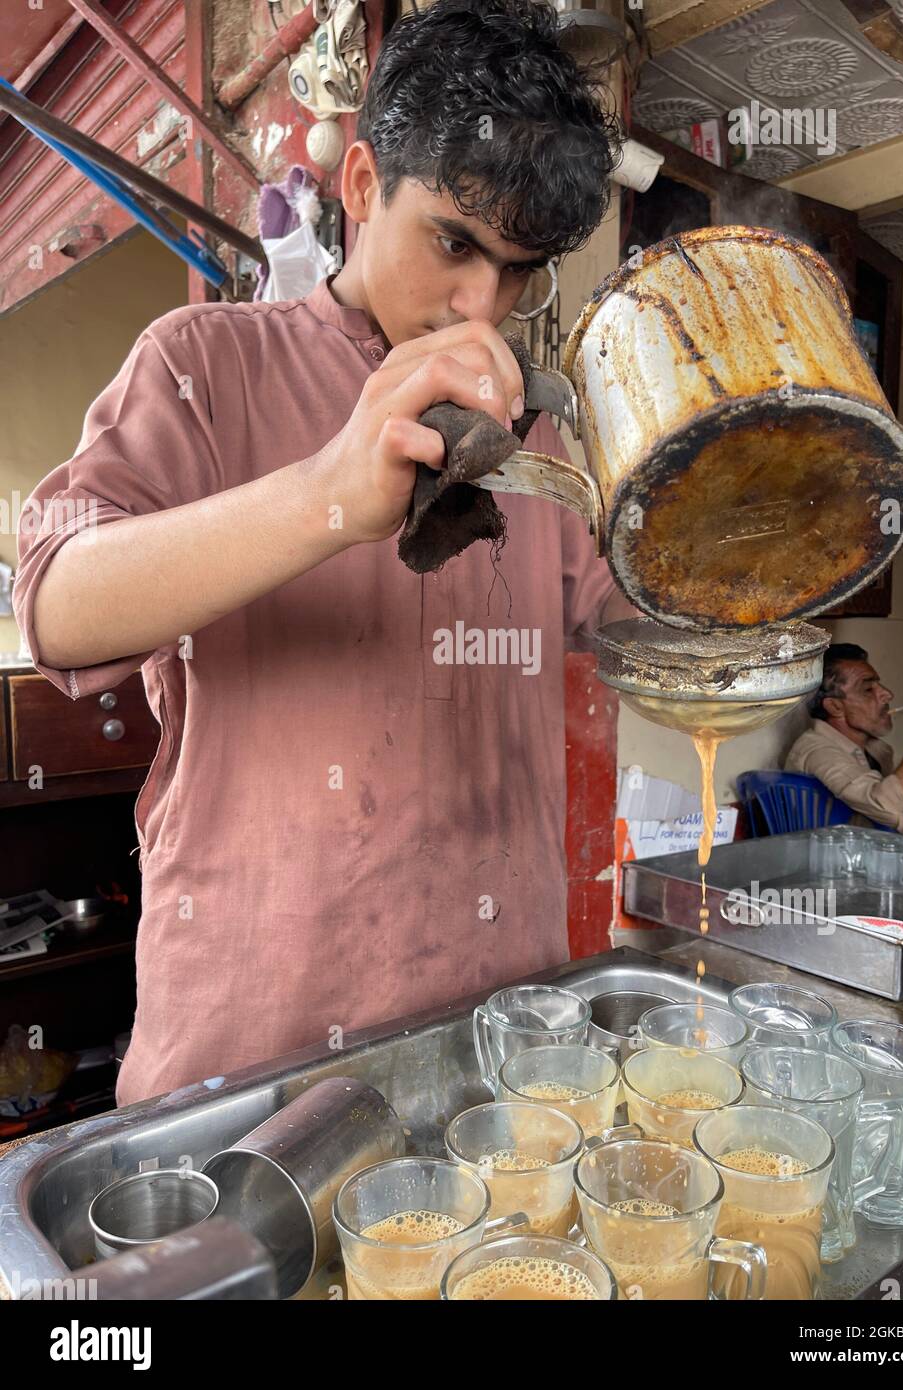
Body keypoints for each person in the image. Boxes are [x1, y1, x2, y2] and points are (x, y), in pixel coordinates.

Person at [13, 0, 633, 1106]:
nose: (480, 303)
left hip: (496, 1062)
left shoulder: (537, 434)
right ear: (357, 188)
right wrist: (325, 499)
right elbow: (56, 604)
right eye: (454, 243)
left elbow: (630, 627)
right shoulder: (206, 364)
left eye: (523, 270)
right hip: (251, 1066)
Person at [785, 643, 903, 842]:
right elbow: (896, 808)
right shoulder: (818, 751)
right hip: (839, 866)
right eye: (868, 689)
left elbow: (902, 822)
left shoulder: (876, 751)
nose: (887, 694)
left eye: (879, 685)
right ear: (834, 707)